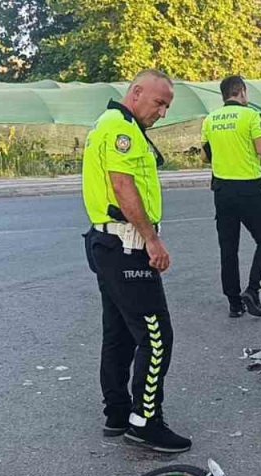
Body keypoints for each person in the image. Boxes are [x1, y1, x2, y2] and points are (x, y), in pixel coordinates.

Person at [81, 69, 191, 453]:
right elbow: (122, 186)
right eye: (159, 103)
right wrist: (152, 239)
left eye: (167, 106)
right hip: (126, 246)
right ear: (137, 92)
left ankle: (117, 412)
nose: (162, 112)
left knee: (119, 333)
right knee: (156, 336)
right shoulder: (121, 128)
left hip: (106, 244)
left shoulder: (108, 123)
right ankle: (145, 422)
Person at [202, 75, 261, 318]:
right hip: (249, 190)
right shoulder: (250, 116)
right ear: (242, 92)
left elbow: (206, 156)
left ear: (224, 95)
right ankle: (252, 291)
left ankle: (234, 303)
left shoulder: (210, 120)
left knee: (228, 247)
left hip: (222, 191)